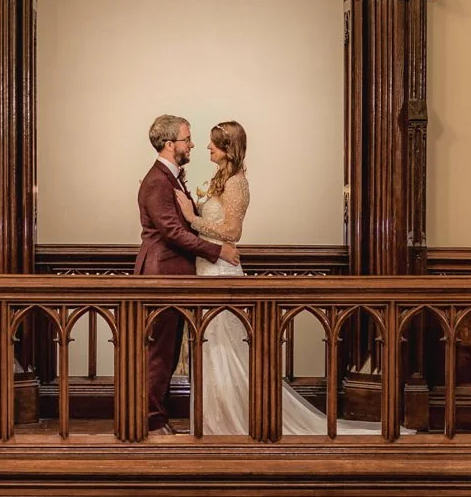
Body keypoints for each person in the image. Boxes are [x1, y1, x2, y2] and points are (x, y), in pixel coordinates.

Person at [174, 121, 370, 438]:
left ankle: (234, 424)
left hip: (221, 271)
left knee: (226, 349)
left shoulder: (237, 182)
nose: (207, 148)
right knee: (209, 349)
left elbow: (233, 233)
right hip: (205, 268)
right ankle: (213, 421)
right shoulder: (218, 180)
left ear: (228, 149)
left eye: (213, 144)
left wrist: (191, 217)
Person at [134, 113, 237, 438]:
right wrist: (218, 251)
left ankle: (157, 415)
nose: (192, 143)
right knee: (159, 352)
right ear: (169, 144)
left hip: (176, 275)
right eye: (187, 138)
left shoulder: (172, 177)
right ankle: (149, 420)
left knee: (168, 349)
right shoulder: (157, 181)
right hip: (163, 275)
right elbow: (173, 232)